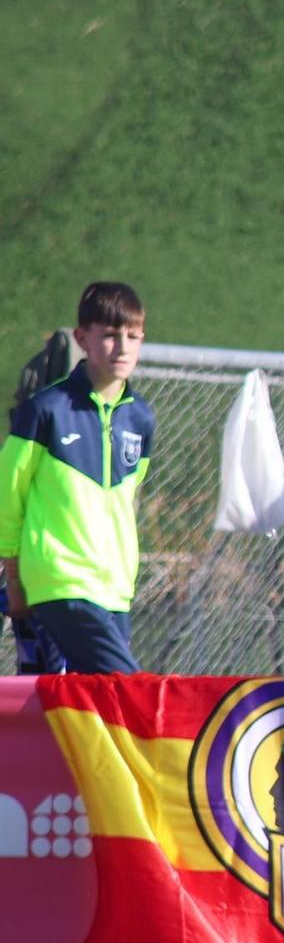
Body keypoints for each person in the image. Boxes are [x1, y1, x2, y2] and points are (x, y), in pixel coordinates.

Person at [0, 282, 155, 674]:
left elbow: (125, 499)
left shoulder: (141, 418)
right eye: (109, 335)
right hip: (60, 583)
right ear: (82, 338)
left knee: (80, 712)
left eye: (133, 337)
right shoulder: (45, 409)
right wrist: (15, 578)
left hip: (115, 590)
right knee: (128, 687)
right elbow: (8, 494)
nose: (122, 347)